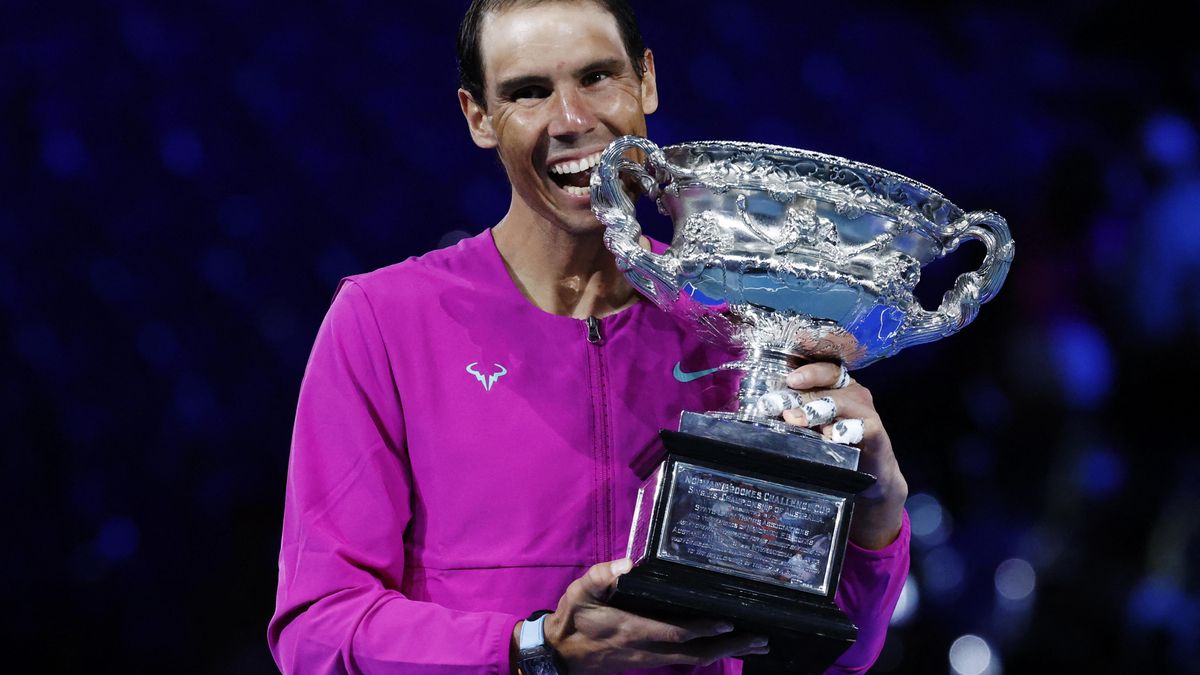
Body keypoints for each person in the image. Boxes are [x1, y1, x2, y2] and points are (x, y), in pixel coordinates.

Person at [267, 1, 910, 673]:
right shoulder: (384, 321)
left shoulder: (737, 330)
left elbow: (836, 655)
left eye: (598, 77)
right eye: (529, 92)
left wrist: (877, 508)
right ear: (478, 116)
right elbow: (317, 631)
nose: (572, 120)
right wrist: (533, 651)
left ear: (647, 83)